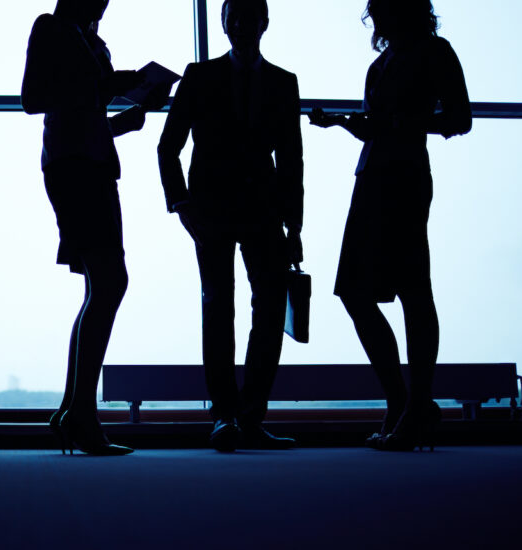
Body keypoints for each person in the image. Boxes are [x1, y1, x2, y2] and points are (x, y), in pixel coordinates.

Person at [309, 0, 471, 451]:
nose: (377, 17)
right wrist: (342, 122)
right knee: (357, 293)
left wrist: (400, 122)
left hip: (403, 177)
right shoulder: (381, 64)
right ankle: (406, 402)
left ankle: (413, 405)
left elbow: (460, 119)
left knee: (413, 289)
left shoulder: (434, 52)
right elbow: (376, 128)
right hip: (372, 177)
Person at [157, 0, 303, 452]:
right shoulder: (199, 76)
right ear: (223, 25)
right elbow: (168, 148)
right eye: (233, 17)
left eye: (247, 17)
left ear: (264, 23)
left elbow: (292, 160)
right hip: (213, 214)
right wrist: (182, 206)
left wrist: (294, 227)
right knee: (221, 309)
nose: (240, 25)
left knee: (262, 309)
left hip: (262, 213)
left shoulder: (283, 83)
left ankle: (247, 417)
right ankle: (227, 416)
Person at [22, 0, 166, 456]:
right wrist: (110, 84)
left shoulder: (90, 38)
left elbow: (85, 113)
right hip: (73, 168)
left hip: (94, 165)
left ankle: (73, 410)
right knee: (108, 284)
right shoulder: (52, 28)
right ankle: (79, 413)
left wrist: (125, 114)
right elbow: (33, 99)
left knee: (100, 287)